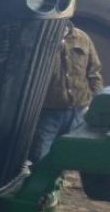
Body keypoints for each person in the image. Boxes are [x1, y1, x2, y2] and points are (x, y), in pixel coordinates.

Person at [30, 22, 103, 164]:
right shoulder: (39, 38)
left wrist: (95, 103)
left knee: (76, 156)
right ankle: (47, 186)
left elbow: (94, 73)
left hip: (79, 112)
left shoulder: (82, 37)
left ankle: (64, 183)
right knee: (41, 156)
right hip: (48, 113)